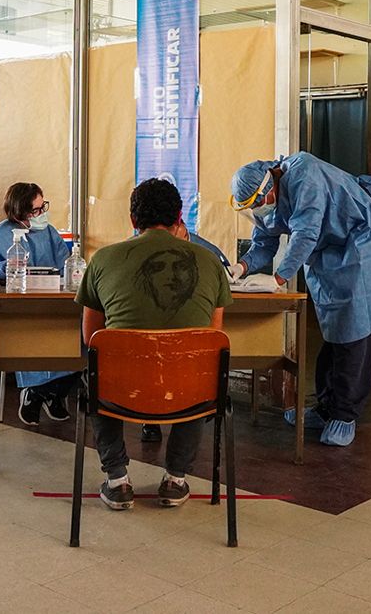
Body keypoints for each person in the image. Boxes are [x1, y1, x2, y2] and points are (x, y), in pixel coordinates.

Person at [229, 152, 371, 447]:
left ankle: (345, 415)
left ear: (269, 187)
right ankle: (326, 408)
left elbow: (306, 233)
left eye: (258, 203)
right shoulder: (269, 200)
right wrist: (240, 267)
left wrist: (277, 279)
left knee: (356, 334)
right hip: (331, 255)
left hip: (360, 247)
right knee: (335, 332)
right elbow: (264, 241)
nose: (259, 210)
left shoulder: (305, 174)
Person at [75, 178, 232, 510]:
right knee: (203, 371)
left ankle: (117, 479)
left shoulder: (103, 260)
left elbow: (91, 339)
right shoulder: (210, 263)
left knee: (94, 369)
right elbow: (212, 341)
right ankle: (176, 477)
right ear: (179, 218)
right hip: (189, 395)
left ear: (133, 220)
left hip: (120, 393)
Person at [0, 182, 76, 426]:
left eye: (42, 207)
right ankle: (35, 393)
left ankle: (51, 392)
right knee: (31, 335)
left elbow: (65, 265)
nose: (41, 214)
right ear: (18, 213)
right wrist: (3, 268)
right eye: (35, 210)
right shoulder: (2, 234)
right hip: (18, 312)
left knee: (77, 337)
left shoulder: (49, 233)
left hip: (49, 307)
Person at [139, 217, 233, 443]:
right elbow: (215, 332)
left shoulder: (208, 254)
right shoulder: (133, 253)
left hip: (138, 370)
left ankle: (116, 475)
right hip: (180, 365)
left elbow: (91, 334)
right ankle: (176, 473)